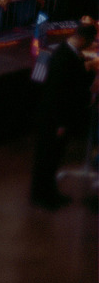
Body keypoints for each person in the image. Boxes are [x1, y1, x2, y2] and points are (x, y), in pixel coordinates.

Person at [29, 19, 97, 210]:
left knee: (51, 158)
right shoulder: (64, 58)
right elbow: (60, 93)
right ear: (84, 39)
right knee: (48, 158)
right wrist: (60, 124)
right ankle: (44, 197)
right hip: (54, 118)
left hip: (54, 117)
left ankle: (47, 193)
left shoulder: (67, 53)